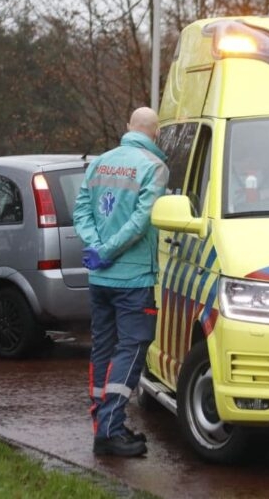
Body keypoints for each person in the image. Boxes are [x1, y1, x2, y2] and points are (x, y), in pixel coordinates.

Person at [73, 106, 169, 457]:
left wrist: (95, 246)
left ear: (129, 127)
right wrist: (109, 249)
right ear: (156, 133)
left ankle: (103, 424)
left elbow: (81, 211)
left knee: (103, 349)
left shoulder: (100, 163)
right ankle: (110, 430)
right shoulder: (154, 167)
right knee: (131, 349)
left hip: (100, 277)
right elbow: (141, 221)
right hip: (132, 278)